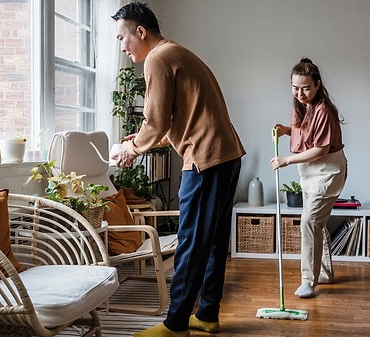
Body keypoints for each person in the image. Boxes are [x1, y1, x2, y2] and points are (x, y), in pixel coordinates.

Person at [111, 3, 246, 337]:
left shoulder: (158, 58)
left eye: (122, 37)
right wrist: (146, 141)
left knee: (190, 241)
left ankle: (175, 325)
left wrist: (131, 148)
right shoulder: (176, 53)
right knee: (213, 240)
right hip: (224, 154)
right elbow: (178, 119)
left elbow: (155, 121)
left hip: (204, 159)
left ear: (140, 31)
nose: (122, 46)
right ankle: (208, 314)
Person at [271, 58, 347, 299]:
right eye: (295, 88)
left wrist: (287, 160)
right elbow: (305, 131)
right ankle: (324, 273)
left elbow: (321, 149)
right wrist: (286, 129)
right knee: (317, 224)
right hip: (309, 173)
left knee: (309, 223)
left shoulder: (324, 110)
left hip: (326, 172)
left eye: (305, 88)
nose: (300, 93)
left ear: (317, 85)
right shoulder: (300, 106)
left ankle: (308, 281)